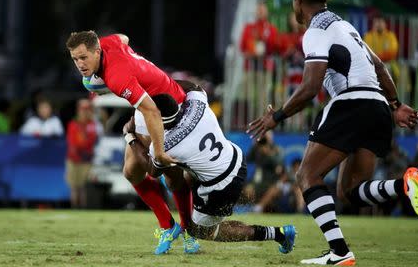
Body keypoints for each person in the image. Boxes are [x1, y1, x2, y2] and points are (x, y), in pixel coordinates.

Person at [247, 0, 418, 265]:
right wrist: (395, 105)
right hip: (378, 108)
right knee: (349, 193)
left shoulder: (316, 31)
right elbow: (380, 67)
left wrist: (276, 116)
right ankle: (404, 185)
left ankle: (340, 252)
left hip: (351, 103)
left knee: (307, 176)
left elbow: (310, 88)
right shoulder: (346, 26)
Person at [66, 31, 198, 254]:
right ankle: (168, 226)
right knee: (131, 172)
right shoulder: (108, 43)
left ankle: (189, 232)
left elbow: (152, 111)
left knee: (170, 175)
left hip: (169, 108)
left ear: (97, 51)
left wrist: (159, 152)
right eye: (75, 59)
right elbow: (124, 37)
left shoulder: (117, 77)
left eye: (84, 57)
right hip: (148, 103)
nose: (80, 64)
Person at [123, 88, 296, 252]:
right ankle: (180, 227)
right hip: (234, 157)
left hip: (221, 185)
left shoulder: (165, 146)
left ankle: (278, 233)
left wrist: (130, 136)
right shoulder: (197, 104)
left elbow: (153, 171)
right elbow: (193, 86)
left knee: (201, 230)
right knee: (183, 175)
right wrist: (170, 84)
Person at [65, 99, 98, 209]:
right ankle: (74, 207)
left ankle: (83, 208)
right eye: (83, 110)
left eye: (87, 110)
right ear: (78, 110)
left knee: (84, 186)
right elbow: (71, 142)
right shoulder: (73, 124)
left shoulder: (92, 125)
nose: (85, 112)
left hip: (86, 159)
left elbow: (92, 140)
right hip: (73, 159)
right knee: (74, 186)